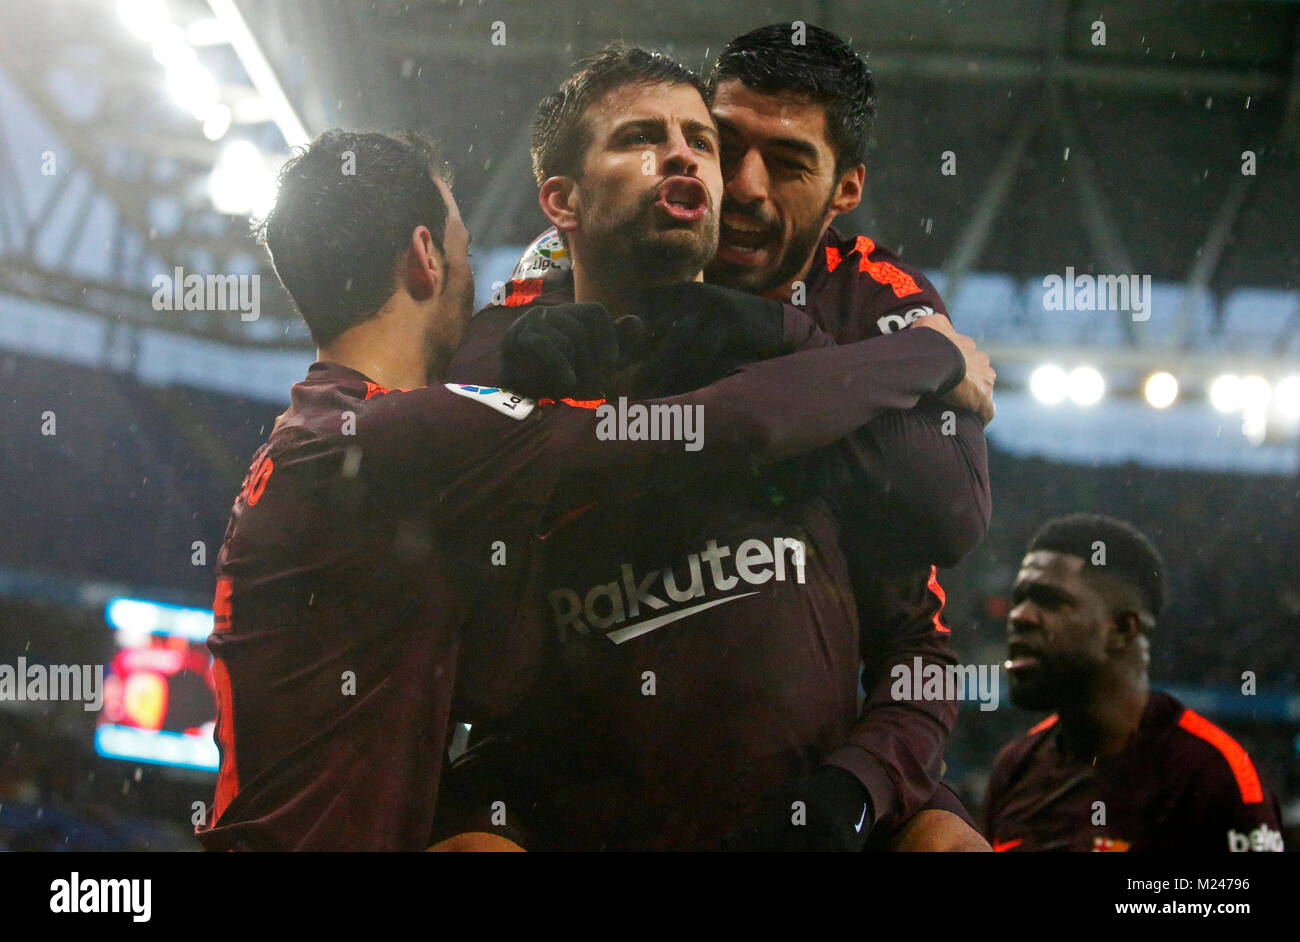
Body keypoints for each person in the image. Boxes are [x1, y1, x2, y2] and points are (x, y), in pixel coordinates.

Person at [196, 129, 975, 851]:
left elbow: (493, 682)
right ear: (426, 258)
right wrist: (930, 355)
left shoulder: (330, 433)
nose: (476, 289)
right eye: (466, 251)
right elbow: (726, 425)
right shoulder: (413, 436)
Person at [437, 41, 994, 851]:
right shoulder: (555, 290)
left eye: (790, 162)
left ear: (847, 189)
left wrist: (855, 790)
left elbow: (950, 521)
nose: (743, 188)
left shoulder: (867, 303)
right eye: (723, 146)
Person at [985, 513, 1284, 852]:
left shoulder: (1215, 778)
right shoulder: (1014, 768)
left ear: (1122, 629)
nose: (1018, 616)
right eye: (1020, 599)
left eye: (1049, 600)